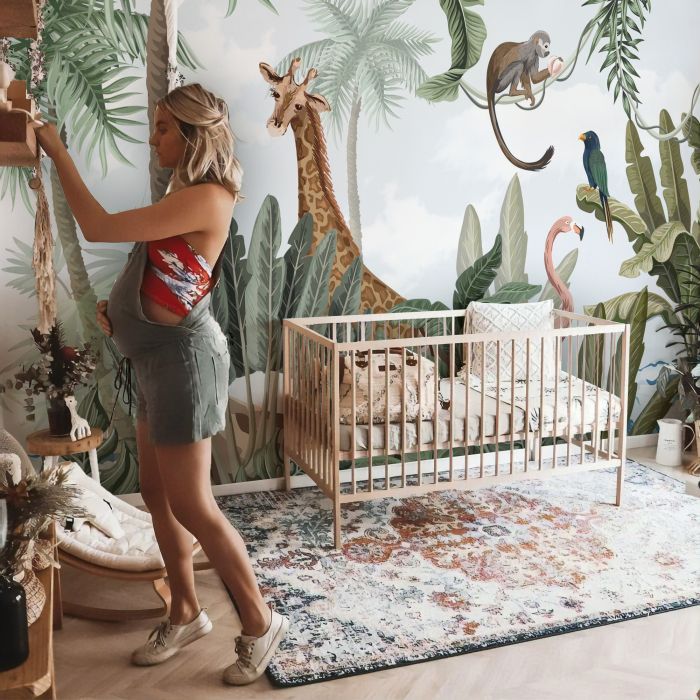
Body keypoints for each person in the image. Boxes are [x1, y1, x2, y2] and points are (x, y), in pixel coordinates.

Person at [32, 84, 289, 686]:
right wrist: (122, 306)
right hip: (156, 360)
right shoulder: (182, 191)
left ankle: (258, 621)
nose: (154, 140)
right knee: (154, 489)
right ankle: (185, 609)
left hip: (183, 363)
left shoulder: (208, 197)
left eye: (163, 129)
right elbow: (164, 264)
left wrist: (56, 150)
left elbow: (96, 226)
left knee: (193, 503)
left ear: (194, 135)